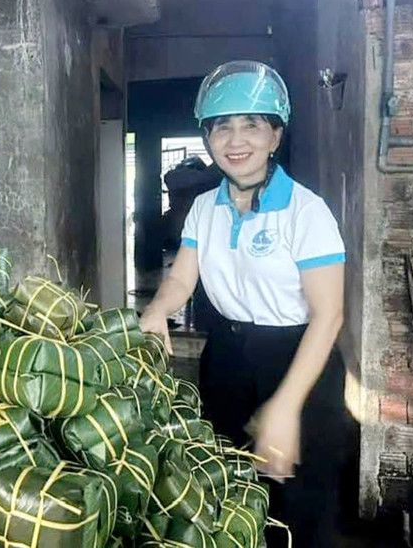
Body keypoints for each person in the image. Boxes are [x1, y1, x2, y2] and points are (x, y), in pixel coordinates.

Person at [139, 61, 347, 547]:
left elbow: (329, 315)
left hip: (299, 361)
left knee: (295, 512)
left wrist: (285, 407)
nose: (236, 140)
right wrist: (155, 310)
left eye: (251, 125)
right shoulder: (205, 209)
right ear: (208, 139)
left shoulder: (306, 211)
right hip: (227, 360)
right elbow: (183, 277)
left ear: (275, 136)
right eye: (221, 127)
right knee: (230, 497)